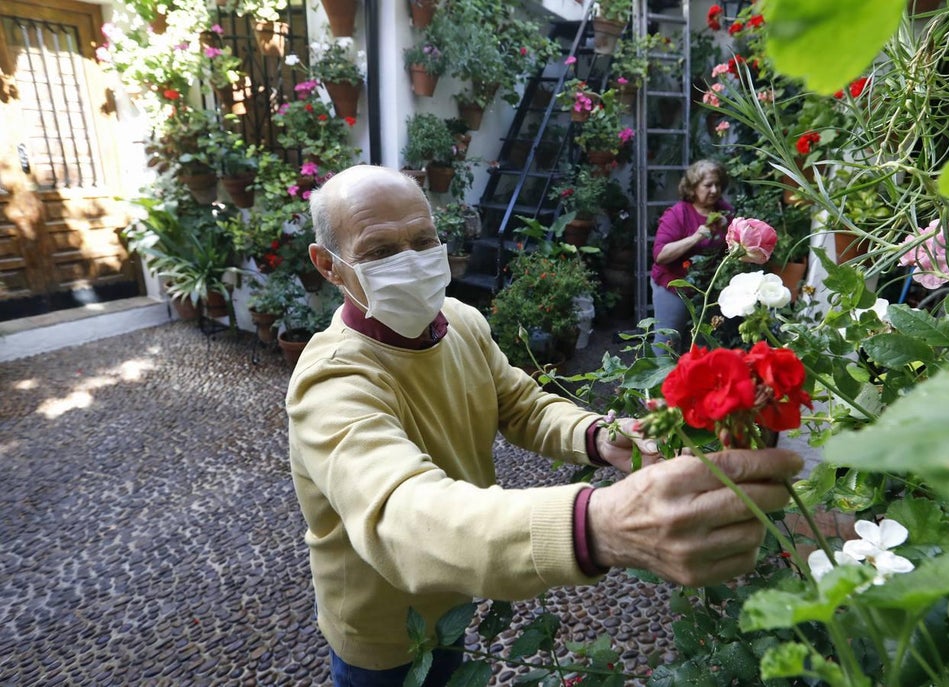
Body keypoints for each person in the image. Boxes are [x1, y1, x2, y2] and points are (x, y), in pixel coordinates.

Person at [286, 165, 802, 687]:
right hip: (383, 637)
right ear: (328, 266)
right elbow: (401, 515)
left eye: (423, 240)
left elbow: (522, 405)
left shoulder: (460, 322)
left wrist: (603, 436)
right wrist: (594, 526)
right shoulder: (331, 381)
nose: (412, 262)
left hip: (455, 593)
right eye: (380, 252)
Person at [650, 159, 734, 353]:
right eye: (708, 185)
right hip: (674, 286)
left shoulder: (725, 212)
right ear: (693, 188)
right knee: (668, 342)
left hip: (706, 290)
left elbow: (732, 249)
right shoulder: (678, 214)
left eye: (718, 184)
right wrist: (696, 237)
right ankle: (656, 383)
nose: (714, 190)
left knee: (703, 342)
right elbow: (660, 255)